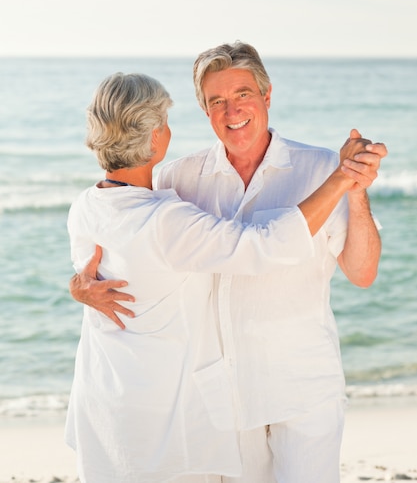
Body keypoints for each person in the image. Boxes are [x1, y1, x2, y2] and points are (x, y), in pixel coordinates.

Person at [71, 45, 387, 483]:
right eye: (216, 101)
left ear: (267, 95)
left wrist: (353, 188)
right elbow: (122, 224)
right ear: (202, 110)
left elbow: (363, 273)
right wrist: (79, 287)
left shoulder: (322, 168)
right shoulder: (175, 180)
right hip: (225, 400)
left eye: (242, 94)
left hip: (303, 386)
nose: (232, 110)